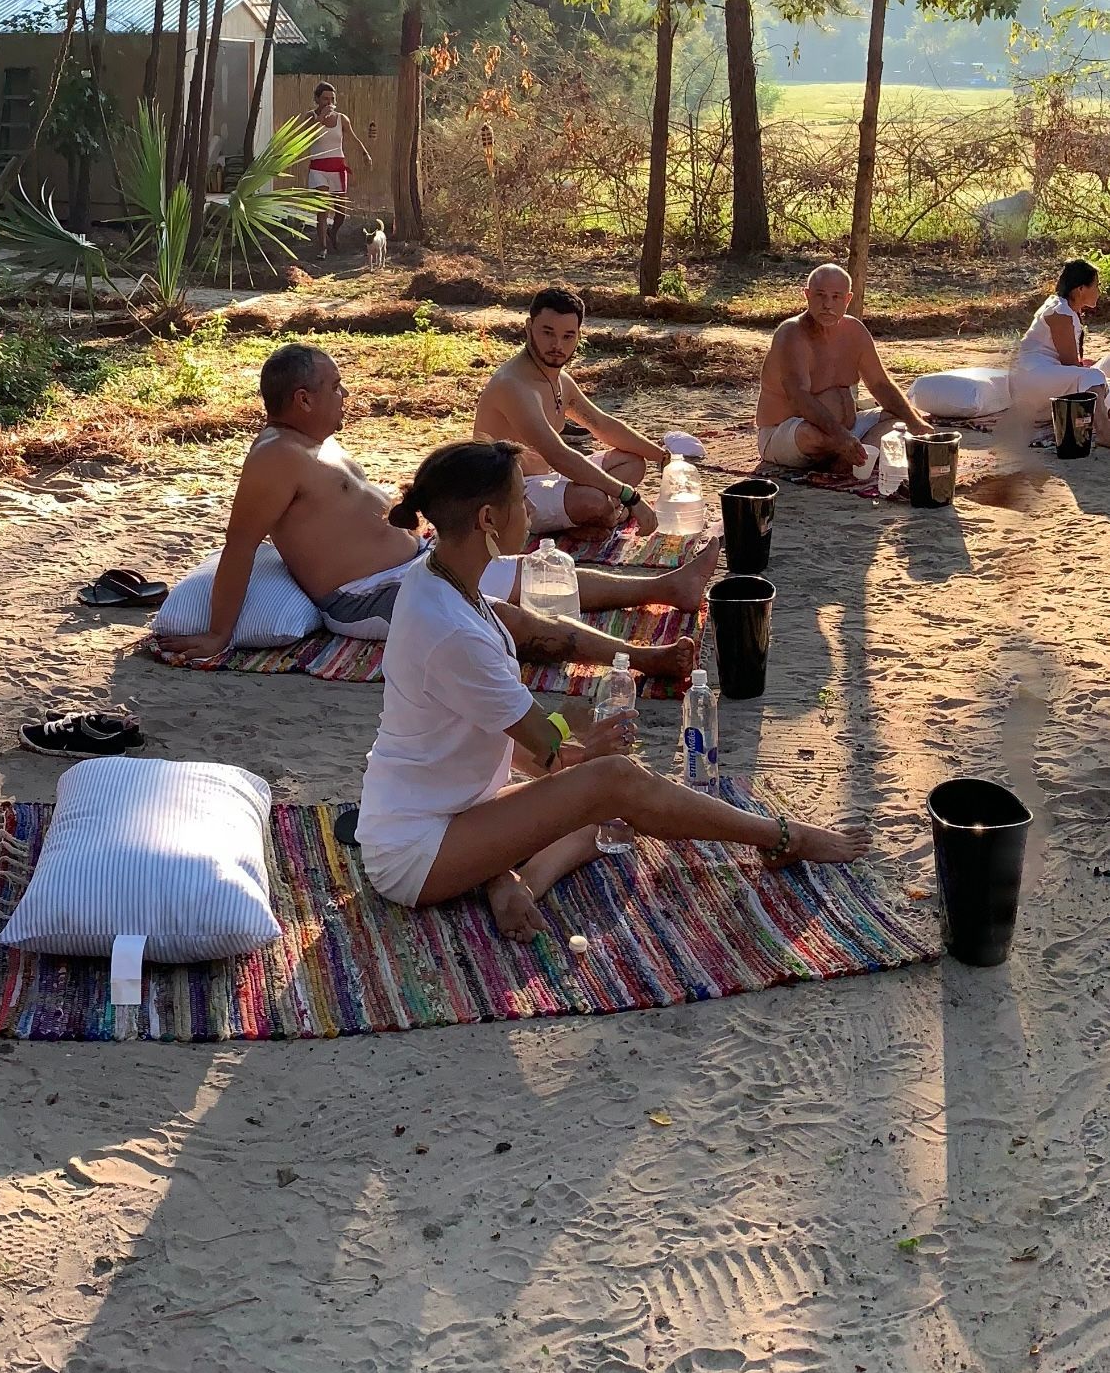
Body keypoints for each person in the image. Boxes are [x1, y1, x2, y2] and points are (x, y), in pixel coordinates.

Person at [357, 440, 869, 941]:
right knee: (618, 782)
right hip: (416, 854)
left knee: (615, 815)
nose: (532, 507)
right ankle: (784, 837)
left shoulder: (440, 575)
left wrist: (575, 752)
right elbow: (544, 744)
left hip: (456, 811)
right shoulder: (451, 630)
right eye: (521, 498)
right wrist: (575, 736)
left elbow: (522, 724)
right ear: (488, 520)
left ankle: (514, 884)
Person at [158, 344, 719, 673]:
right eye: (335, 387)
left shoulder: (313, 443)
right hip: (367, 597)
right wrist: (217, 633)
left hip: (417, 561)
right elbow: (239, 546)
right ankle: (646, 660)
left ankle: (668, 589)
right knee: (507, 618)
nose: (345, 395)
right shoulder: (275, 458)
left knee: (536, 571)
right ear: (302, 399)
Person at [473, 286, 673, 533]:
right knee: (594, 500)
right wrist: (630, 496)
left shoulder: (559, 380)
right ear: (529, 328)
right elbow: (558, 454)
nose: (557, 344)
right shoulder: (513, 384)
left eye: (568, 336)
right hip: (510, 495)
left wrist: (663, 457)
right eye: (548, 333)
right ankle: (604, 514)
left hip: (549, 479)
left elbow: (600, 424)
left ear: (578, 335)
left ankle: (602, 515)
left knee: (632, 462)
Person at [755, 263, 932, 469]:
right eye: (821, 295)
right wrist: (840, 436)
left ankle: (850, 460)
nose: (827, 305)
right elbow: (799, 396)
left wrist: (915, 423)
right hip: (787, 433)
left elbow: (880, 384)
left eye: (836, 297)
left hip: (848, 431)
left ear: (848, 299)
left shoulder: (854, 330)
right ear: (807, 295)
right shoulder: (791, 334)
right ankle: (853, 457)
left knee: (902, 419)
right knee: (810, 436)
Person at [1009, 257, 1110, 439]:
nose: (1099, 290)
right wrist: (1096, 378)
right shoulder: (1059, 312)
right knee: (1096, 377)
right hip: (1032, 379)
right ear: (1080, 289)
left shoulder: (1066, 309)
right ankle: (1104, 433)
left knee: (1102, 382)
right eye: (1096, 285)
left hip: (1047, 377)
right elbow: (1070, 363)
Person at [308, 82, 372, 258]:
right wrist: (320, 119)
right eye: (325, 99)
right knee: (322, 210)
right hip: (318, 168)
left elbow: (352, 138)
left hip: (337, 167)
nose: (329, 102)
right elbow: (304, 136)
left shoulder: (342, 118)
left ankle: (333, 231)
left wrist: (365, 153)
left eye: (332, 99)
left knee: (341, 212)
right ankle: (322, 248)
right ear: (317, 99)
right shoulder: (310, 117)